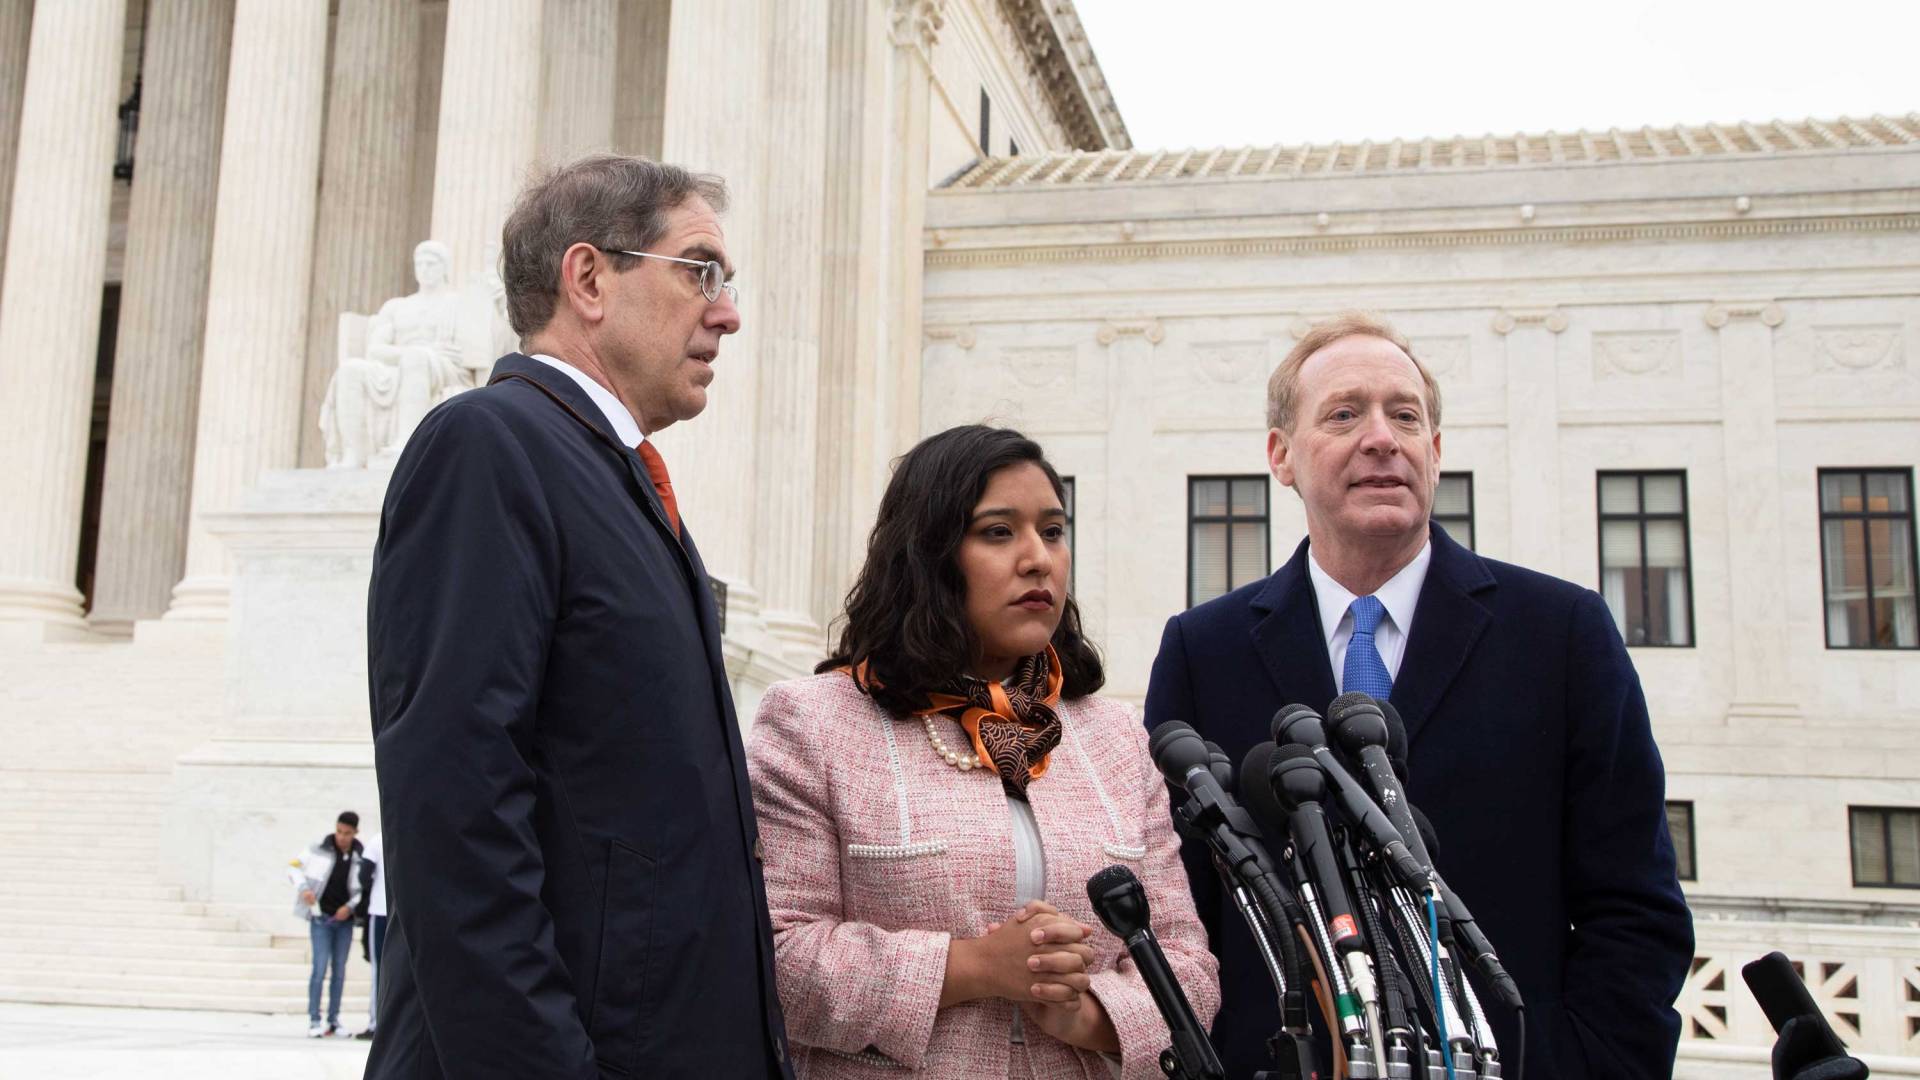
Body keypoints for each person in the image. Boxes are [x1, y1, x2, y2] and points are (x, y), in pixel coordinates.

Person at [1145, 313, 1694, 1079]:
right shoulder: (1204, 651)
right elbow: (1186, 915)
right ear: (1282, 456)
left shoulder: (1563, 633)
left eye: (1405, 416)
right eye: (1344, 414)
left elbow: (1635, 908)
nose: (1381, 437)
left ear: (1434, 452)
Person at [365, 155, 790, 1078]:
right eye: (700, 272)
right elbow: (458, 825)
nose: (728, 312)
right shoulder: (486, 444)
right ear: (590, 278)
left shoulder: (616, 479)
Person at [749, 424, 1218, 1079]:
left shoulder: (1115, 740)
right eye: (999, 532)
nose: (1038, 559)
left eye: (1053, 531)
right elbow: (773, 955)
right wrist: (972, 968)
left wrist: (1089, 1015)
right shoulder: (815, 724)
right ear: (930, 555)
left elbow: (1189, 963)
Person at [286, 810, 366, 1039]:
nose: (342, 837)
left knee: (339, 970)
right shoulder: (317, 849)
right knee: (319, 968)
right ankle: (314, 1019)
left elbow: (363, 889)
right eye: (339, 831)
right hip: (320, 918)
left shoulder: (360, 856)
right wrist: (304, 890)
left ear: (355, 833)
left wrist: (349, 907)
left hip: (345, 922)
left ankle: (334, 1020)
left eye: (347, 833)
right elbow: (292, 867)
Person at [356, 830, 385, 1041]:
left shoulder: (376, 841)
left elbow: (363, 876)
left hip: (379, 912)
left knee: (378, 970)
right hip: (402, 913)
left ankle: (376, 1024)